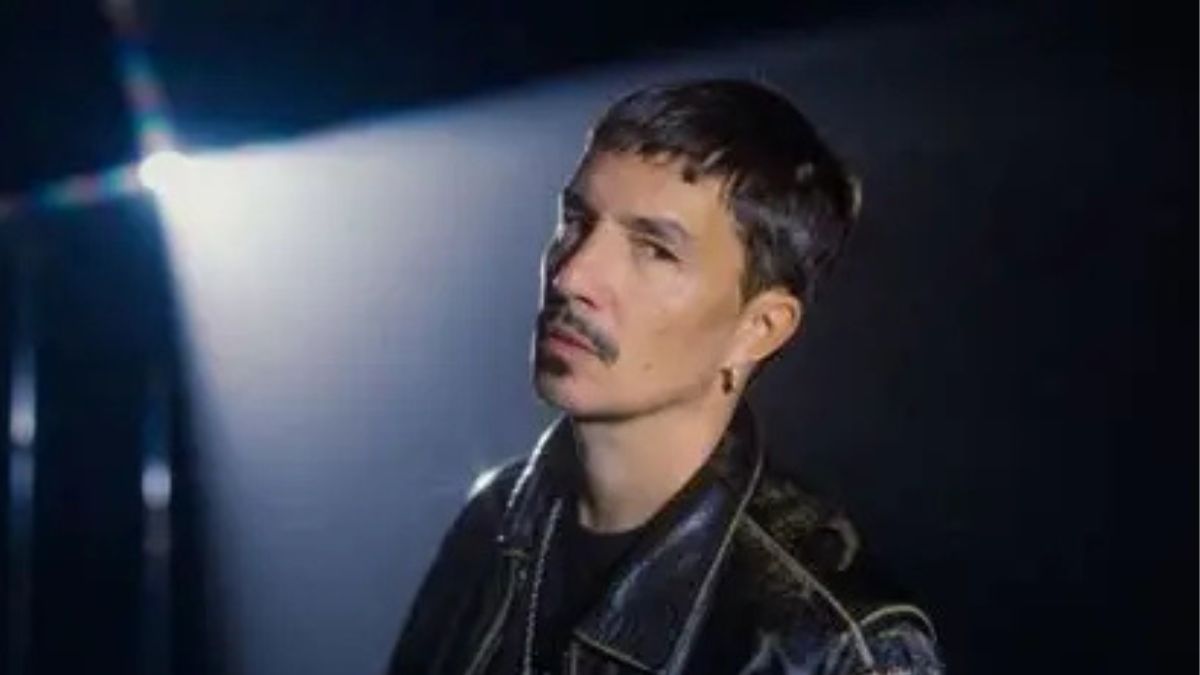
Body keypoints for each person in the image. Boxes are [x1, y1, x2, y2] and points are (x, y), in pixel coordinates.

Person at [388, 79, 943, 674]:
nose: (572, 276)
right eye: (576, 219)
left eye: (655, 249)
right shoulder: (495, 523)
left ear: (758, 328)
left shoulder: (829, 646)